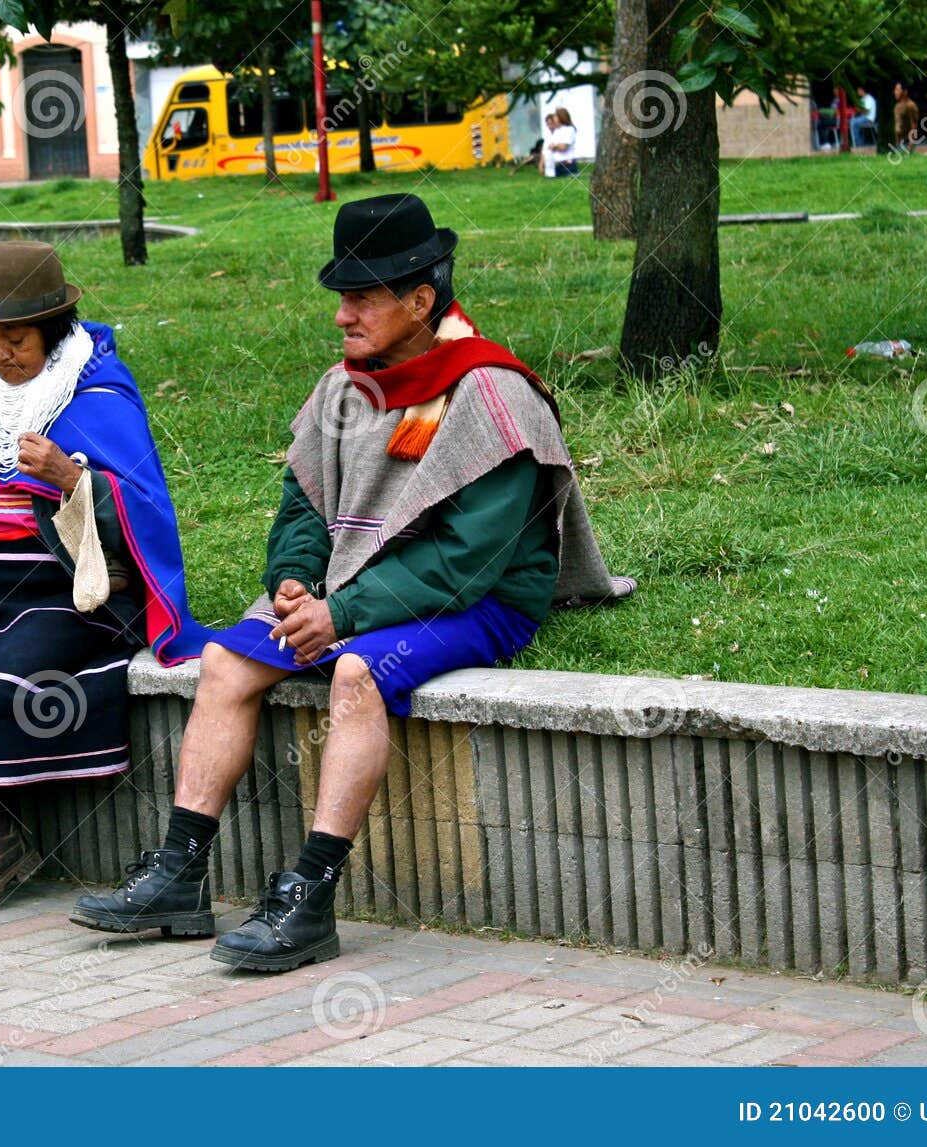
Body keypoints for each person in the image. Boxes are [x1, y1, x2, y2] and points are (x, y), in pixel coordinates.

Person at [72, 194, 635, 971]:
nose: (343, 316)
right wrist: (299, 582)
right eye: (342, 296)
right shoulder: (345, 388)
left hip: (480, 603)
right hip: (350, 590)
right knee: (229, 661)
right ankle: (179, 873)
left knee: (357, 671)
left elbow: (468, 561)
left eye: (362, 296)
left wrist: (342, 615)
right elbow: (302, 505)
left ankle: (310, 897)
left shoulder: (491, 392)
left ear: (421, 301)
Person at [0, 240, 208, 907]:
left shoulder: (100, 391)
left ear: (53, 332)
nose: (0, 354)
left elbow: (145, 514)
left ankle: (2, 829)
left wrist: (71, 477)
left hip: (67, 593)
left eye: (15, 339)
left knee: (9, 672)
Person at [548, 107, 579, 177]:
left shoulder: (569, 130)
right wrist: (555, 146)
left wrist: (555, 146)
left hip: (567, 165)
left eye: (556, 116)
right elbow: (551, 145)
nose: (554, 119)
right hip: (557, 165)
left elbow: (563, 147)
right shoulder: (557, 131)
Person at [893, 82, 920, 152]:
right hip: (898, 143)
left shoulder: (910, 106)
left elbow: (914, 125)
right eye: (895, 90)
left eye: (897, 90)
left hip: (907, 143)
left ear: (905, 92)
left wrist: (911, 145)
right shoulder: (897, 106)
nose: (895, 92)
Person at [540, 113, 559, 177]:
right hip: (548, 165)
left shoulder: (560, 133)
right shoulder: (547, 135)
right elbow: (544, 151)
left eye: (551, 124)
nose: (550, 126)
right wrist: (541, 165)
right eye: (548, 124)